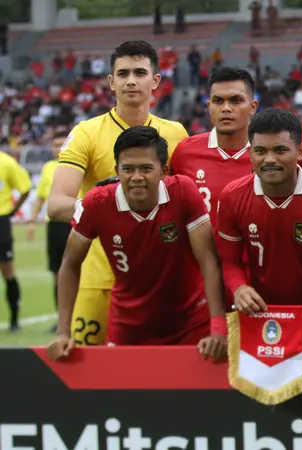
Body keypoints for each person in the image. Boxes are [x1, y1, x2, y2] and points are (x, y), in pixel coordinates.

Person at [47, 40, 188, 346]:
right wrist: (110, 207)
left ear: (156, 81)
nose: (131, 80)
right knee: (89, 382)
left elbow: (186, 205)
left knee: (157, 380)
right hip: (98, 280)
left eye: (140, 72)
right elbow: (56, 205)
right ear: (111, 82)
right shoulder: (86, 132)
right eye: (123, 74)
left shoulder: (177, 134)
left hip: (159, 283)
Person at [46, 126, 226, 360]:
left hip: (190, 321)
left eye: (146, 169)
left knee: (189, 396)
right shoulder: (97, 203)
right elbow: (70, 263)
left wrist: (218, 327)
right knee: (125, 396)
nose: (137, 177)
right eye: (128, 169)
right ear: (116, 170)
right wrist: (63, 333)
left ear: (163, 171)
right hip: (128, 325)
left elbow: (208, 260)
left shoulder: (183, 191)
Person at [215, 108, 302, 352]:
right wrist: (239, 287)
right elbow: (228, 261)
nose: (270, 159)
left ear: (300, 152)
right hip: (260, 316)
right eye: (260, 151)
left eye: (280, 150)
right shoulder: (232, 197)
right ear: (250, 152)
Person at [170, 67, 257, 226]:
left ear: (253, 106)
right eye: (218, 101)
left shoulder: (270, 156)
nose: (226, 108)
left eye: (235, 100)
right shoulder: (185, 152)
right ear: (209, 107)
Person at [27, 131, 72, 333]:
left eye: (63, 144)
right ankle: (61, 318)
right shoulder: (47, 168)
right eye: (55, 144)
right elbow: (41, 197)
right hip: (53, 225)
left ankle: (78, 316)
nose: (59, 148)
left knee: (78, 271)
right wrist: (31, 219)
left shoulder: (77, 166)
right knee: (56, 273)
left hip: (75, 223)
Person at [0, 151, 31, 332]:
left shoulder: (6, 162)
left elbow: (25, 188)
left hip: (1, 221)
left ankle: (14, 319)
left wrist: (12, 211)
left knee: (8, 270)